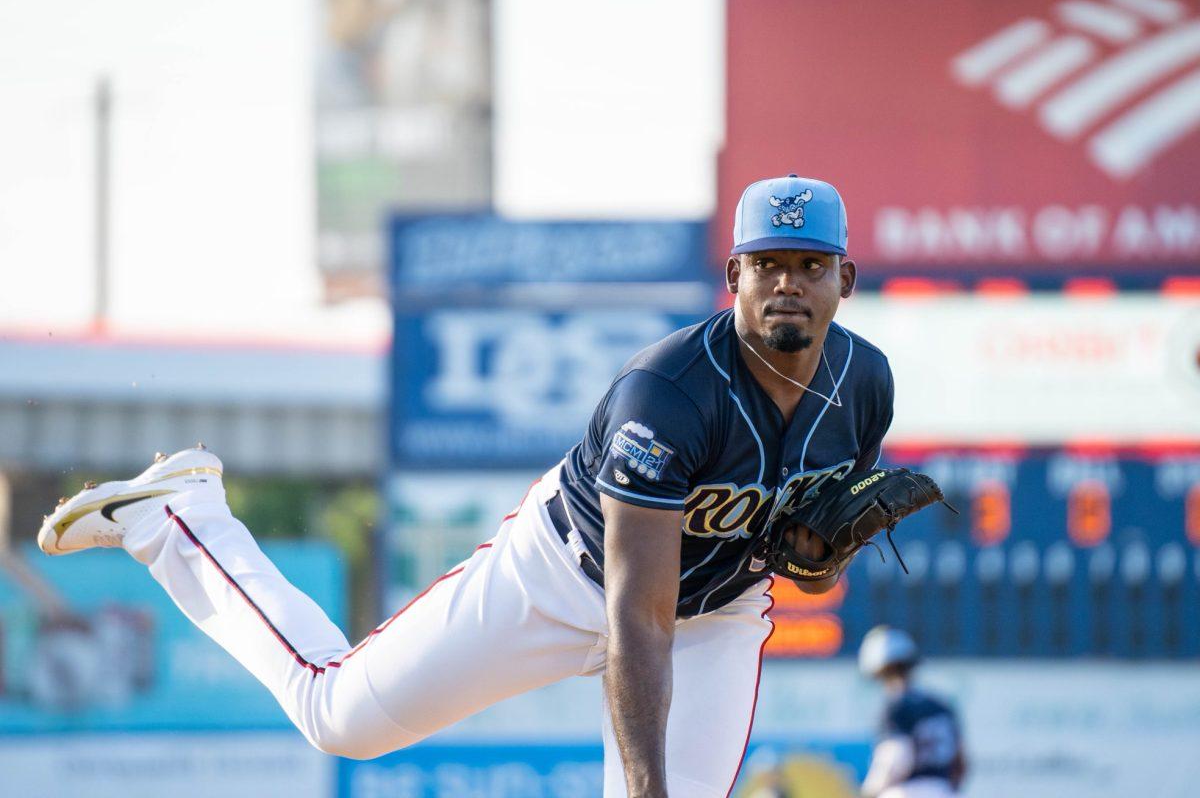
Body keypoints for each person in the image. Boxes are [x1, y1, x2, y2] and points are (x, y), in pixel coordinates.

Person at [38, 174, 894, 798]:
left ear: (843, 282)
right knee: (339, 717)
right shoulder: (668, 392)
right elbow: (635, 615)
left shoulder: (865, 387)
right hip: (566, 578)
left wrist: (815, 565)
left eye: (810, 265)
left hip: (716, 616)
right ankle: (181, 518)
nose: (788, 282)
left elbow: (809, 569)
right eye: (768, 262)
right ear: (735, 275)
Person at [858, 627, 967, 798]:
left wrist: (869, 791)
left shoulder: (896, 706)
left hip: (905, 791)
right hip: (943, 790)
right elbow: (960, 764)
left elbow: (896, 756)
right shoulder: (941, 706)